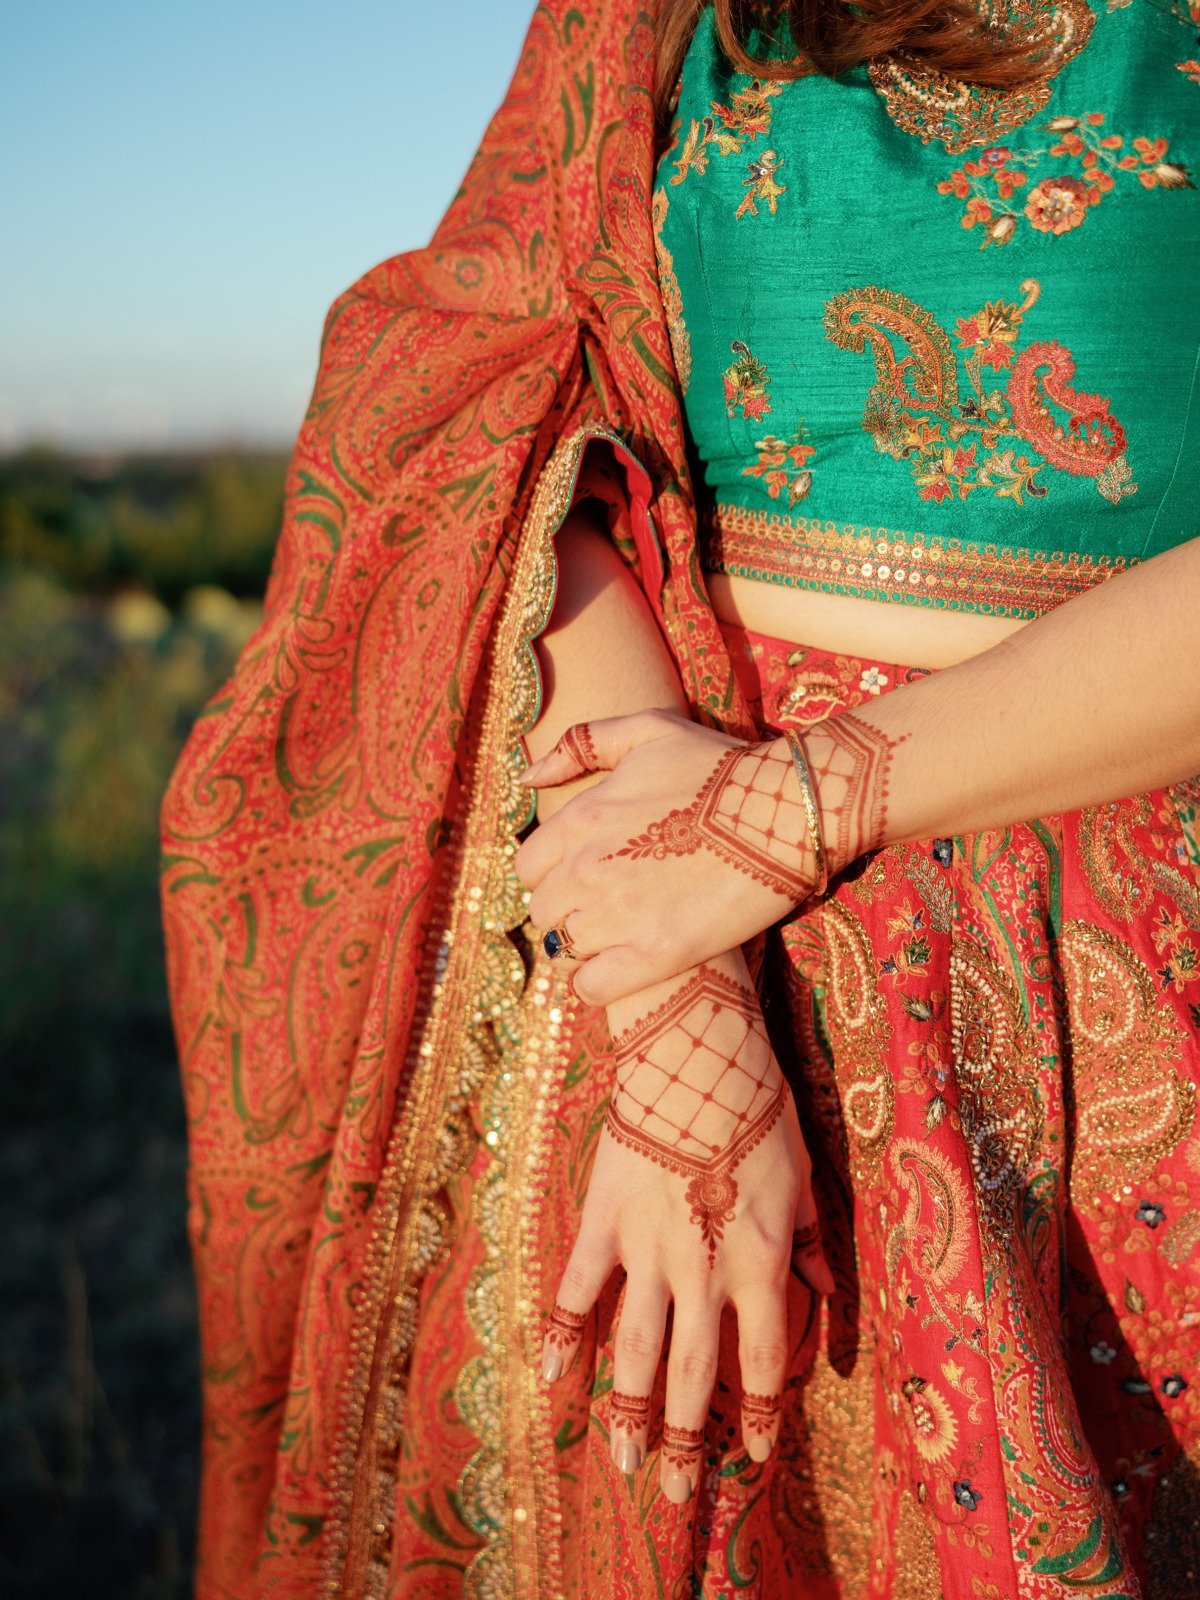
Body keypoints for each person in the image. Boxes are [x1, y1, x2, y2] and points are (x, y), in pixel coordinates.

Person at [159, 1, 1200, 1596]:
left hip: (1133, 947)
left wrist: (794, 810)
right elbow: (493, 406)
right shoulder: (651, 16)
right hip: (665, 924)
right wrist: (673, 973)